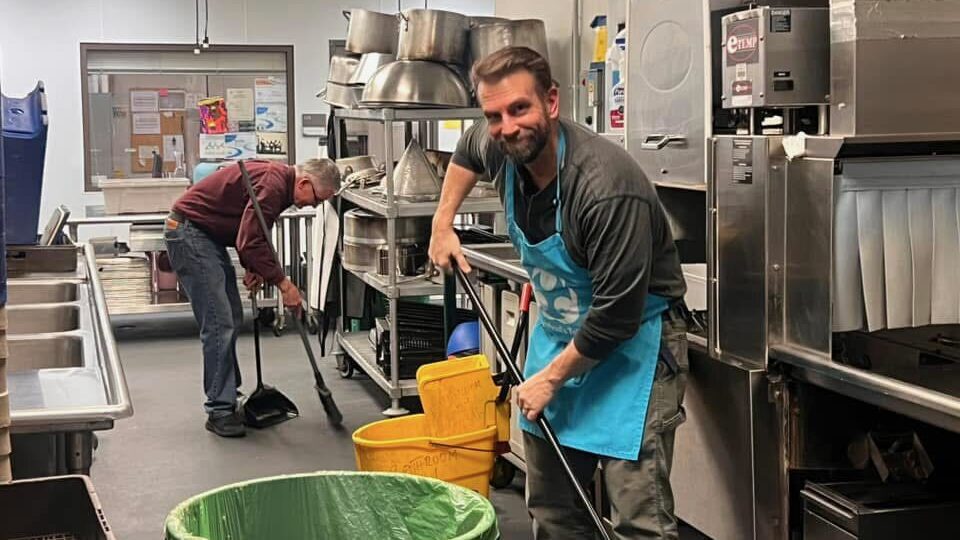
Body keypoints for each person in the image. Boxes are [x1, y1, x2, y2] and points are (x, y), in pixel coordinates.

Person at [429, 47, 689, 539]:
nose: (506, 127)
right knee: (552, 505)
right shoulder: (499, 144)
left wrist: (549, 380)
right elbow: (466, 151)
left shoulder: (605, 187)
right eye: (494, 115)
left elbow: (616, 316)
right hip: (560, 333)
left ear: (551, 102)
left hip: (633, 348)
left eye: (519, 109)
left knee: (638, 518)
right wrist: (442, 224)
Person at [165, 158, 341, 438]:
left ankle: (227, 394)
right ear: (305, 184)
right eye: (317, 200)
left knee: (231, 316)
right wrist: (285, 285)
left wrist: (254, 267)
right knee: (219, 322)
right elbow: (250, 240)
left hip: (205, 236)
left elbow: (251, 230)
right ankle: (220, 409)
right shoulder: (273, 184)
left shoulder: (278, 184)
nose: (314, 206)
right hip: (190, 233)